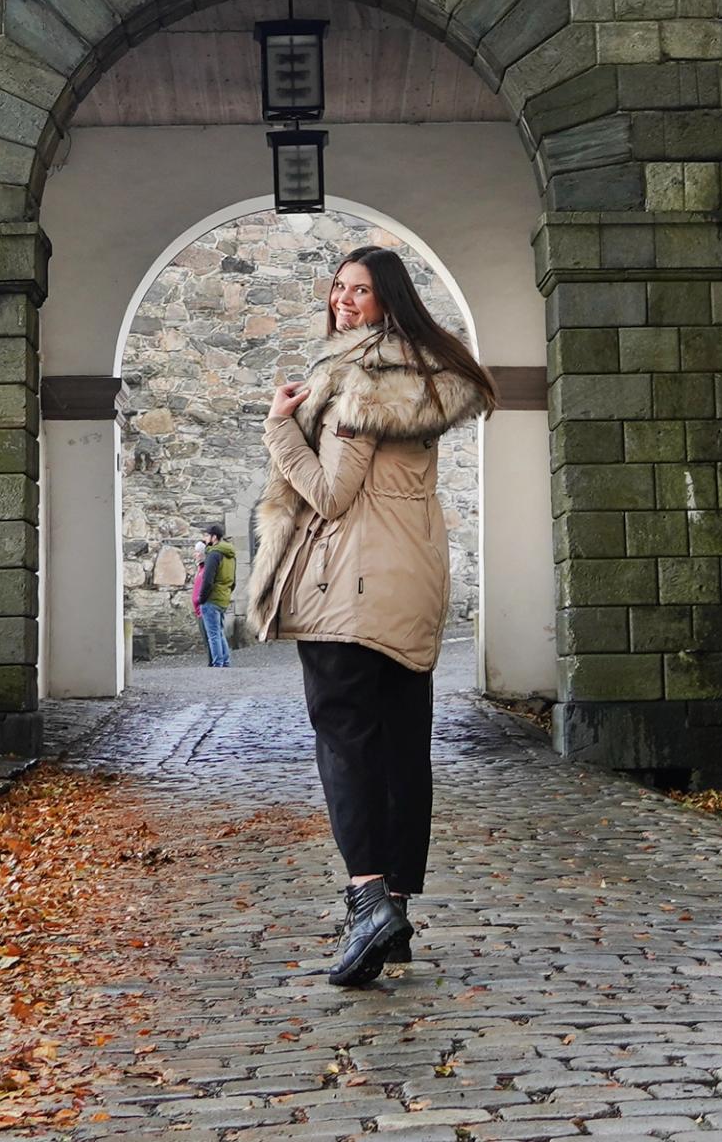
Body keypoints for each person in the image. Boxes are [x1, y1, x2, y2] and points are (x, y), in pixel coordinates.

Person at [244, 242, 493, 989]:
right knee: (401, 746)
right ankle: (399, 913)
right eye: (338, 289)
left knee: (347, 741)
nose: (343, 301)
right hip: (409, 583)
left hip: (345, 587)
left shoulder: (359, 379)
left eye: (359, 292)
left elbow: (330, 494)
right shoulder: (426, 373)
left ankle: (367, 901)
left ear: (387, 301)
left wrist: (280, 428)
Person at [191, 520, 240, 666]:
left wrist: (201, 599)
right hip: (223, 598)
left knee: (213, 635)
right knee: (219, 632)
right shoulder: (230, 555)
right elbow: (233, 580)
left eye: (207, 536)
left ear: (214, 537)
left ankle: (218, 663)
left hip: (211, 599)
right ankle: (225, 661)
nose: (205, 539)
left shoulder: (213, 554)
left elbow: (208, 580)